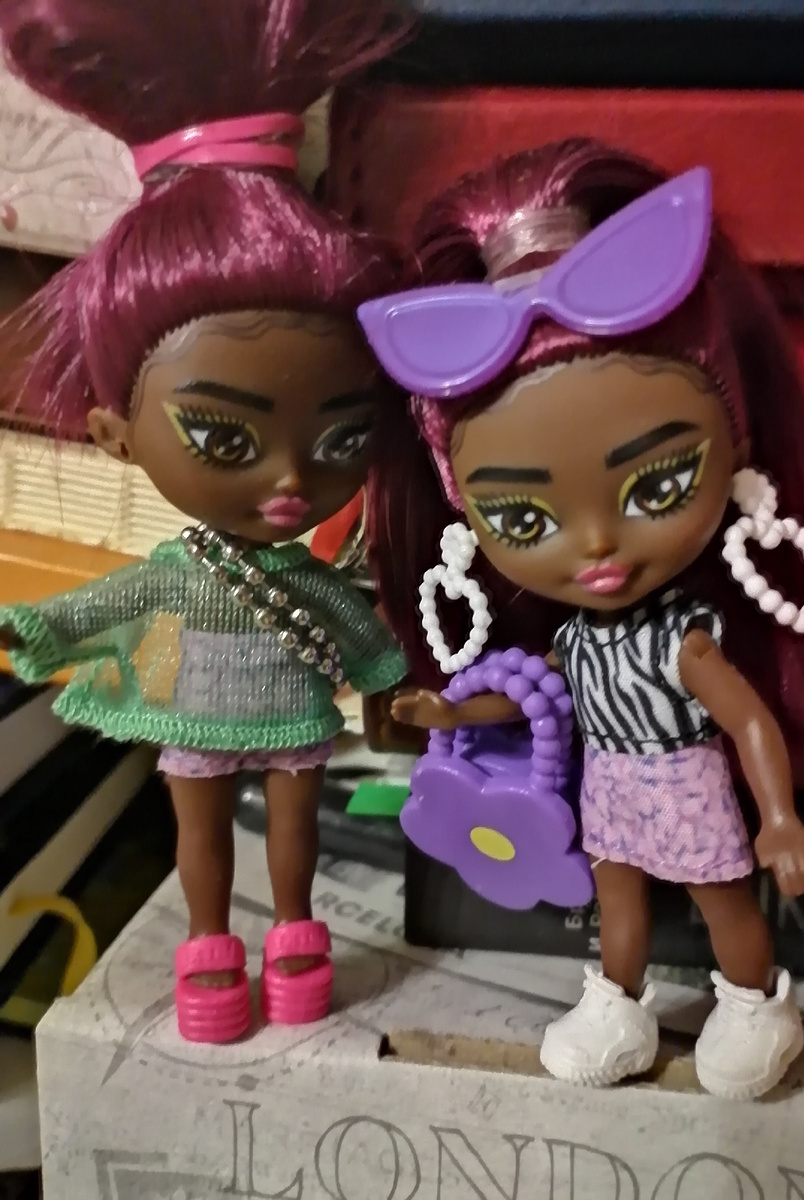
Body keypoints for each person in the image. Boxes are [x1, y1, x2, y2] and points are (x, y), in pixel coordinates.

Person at [360, 141, 804, 1098]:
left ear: (738, 445)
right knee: (619, 905)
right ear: (463, 517)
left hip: (685, 783)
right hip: (610, 791)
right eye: (524, 519)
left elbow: (747, 721)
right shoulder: (572, 638)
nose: (597, 545)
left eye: (659, 483)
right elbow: (537, 700)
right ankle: (618, 1003)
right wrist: (449, 714)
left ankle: (755, 1003)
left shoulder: (683, 639)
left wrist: (777, 817)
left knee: (724, 901)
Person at [0, 0, 414, 1043]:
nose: (291, 482)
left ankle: (297, 936)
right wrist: (33, 626)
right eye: (226, 439)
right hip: (193, 721)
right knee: (200, 839)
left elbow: (365, 637)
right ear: (113, 434)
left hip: (294, 718)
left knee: (293, 836)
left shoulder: (304, 574)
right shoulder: (181, 570)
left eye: (342, 436)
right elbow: (106, 604)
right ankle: (208, 946)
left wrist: (393, 689)